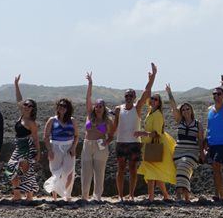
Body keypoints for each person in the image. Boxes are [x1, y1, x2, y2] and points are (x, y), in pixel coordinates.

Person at [114, 64, 157, 202]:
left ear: (134, 97)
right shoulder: (118, 109)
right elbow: (112, 125)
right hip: (121, 142)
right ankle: (120, 195)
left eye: (131, 96)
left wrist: (153, 77)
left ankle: (131, 194)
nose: (128, 98)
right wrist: (107, 136)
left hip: (134, 143)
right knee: (120, 169)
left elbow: (146, 91)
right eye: (127, 95)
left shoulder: (137, 108)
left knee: (133, 169)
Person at [6, 75, 42, 202]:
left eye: (29, 105)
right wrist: (16, 84)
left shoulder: (31, 123)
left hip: (27, 147)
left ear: (33, 109)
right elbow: (19, 99)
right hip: (19, 146)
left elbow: (36, 138)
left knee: (25, 171)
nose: (26, 106)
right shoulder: (21, 116)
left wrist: (38, 152)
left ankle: (29, 195)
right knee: (11, 168)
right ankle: (18, 194)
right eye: (25, 105)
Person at [166, 84, 203, 202]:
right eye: (183, 109)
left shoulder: (198, 124)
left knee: (183, 166)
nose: (186, 111)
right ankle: (186, 196)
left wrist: (201, 152)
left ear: (191, 110)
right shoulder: (180, 121)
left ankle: (178, 193)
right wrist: (169, 93)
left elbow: (201, 139)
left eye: (188, 109)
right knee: (182, 171)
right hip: (179, 151)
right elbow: (173, 107)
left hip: (192, 152)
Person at [136, 93, 176, 201]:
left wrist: (142, 134)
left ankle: (151, 196)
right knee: (155, 171)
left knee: (151, 171)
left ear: (159, 103)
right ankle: (165, 195)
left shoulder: (157, 114)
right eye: (152, 98)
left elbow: (157, 133)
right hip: (150, 145)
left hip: (154, 145)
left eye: (156, 99)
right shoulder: (150, 113)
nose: (153, 100)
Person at [81, 73, 112, 202]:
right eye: (97, 106)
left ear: (104, 108)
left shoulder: (108, 121)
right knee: (86, 172)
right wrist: (90, 84)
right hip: (87, 144)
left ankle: (97, 196)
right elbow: (87, 98)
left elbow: (111, 136)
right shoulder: (90, 115)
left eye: (100, 106)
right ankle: (84, 196)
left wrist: (106, 142)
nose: (98, 108)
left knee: (99, 173)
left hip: (100, 146)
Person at [42, 97, 78, 200]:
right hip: (55, 147)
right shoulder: (52, 120)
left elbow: (76, 135)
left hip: (69, 147)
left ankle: (66, 193)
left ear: (68, 108)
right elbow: (46, 136)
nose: (62, 108)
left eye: (64, 106)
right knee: (55, 171)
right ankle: (55, 196)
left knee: (68, 170)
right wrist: (49, 150)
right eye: (60, 105)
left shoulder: (72, 120)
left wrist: (73, 147)